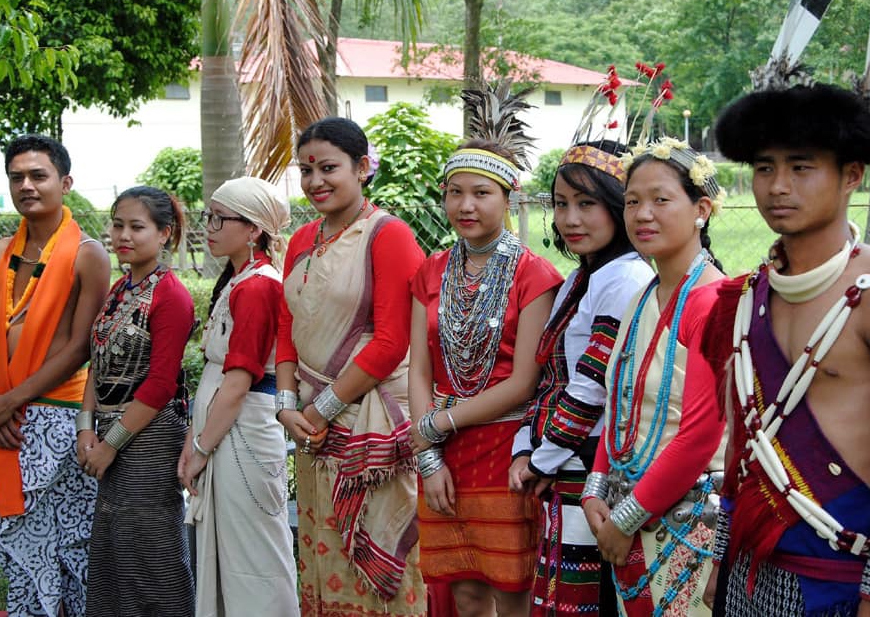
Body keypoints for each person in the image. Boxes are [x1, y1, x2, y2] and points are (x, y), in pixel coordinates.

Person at [704, 83, 870, 615]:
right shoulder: (746, 296)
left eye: (801, 168)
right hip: (754, 572)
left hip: (852, 578)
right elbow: (743, 442)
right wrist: (721, 555)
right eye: (764, 168)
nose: (778, 186)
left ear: (851, 175)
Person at [276, 117, 427, 616]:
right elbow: (286, 328)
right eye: (306, 170)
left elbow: (391, 341)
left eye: (328, 168)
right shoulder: (300, 241)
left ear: (362, 168)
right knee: (321, 553)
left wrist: (320, 410)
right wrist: (286, 406)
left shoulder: (389, 235)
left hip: (368, 423)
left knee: (374, 562)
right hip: (308, 425)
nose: (315, 181)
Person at [409, 139, 562, 616]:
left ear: (509, 196)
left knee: (511, 591)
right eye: (455, 192)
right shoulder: (431, 271)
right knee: (466, 594)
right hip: (442, 451)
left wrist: (433, 427)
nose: (465, 205)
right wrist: (429, 455)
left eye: (481, 193)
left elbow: (523, 382)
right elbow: (419, 366)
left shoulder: (534, 275)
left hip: (504, 448)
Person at [580, 137, 726, 616]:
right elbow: (617, 398)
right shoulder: (642, 297)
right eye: (632, 202)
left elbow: (701, 436)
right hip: (633, 511)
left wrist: (624, 519)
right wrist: (595, 487)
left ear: (701, 209)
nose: (643, 214)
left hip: (686, 519)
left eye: (661, 200)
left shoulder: (710, 302)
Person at [509, 140, 653, 615]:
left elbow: (590, 386)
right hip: (566, 456)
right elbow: (550, 372)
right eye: (561, 204)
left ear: (617, 205)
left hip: (594, 462)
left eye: (587, 203)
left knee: (592, 599)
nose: (570, 219)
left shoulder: (625, 279)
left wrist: (539, 460)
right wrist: (527, 448)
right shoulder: (581, 277)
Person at [0, 134, 110, 616]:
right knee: (14, 548)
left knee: (68, 550)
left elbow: (80, 346)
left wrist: (9, 403)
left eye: (38, 175)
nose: (26, 185)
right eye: (17, 177)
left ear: (64, 183)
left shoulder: (88, 254)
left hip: (58, 419)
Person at [179, 176, 300, 616]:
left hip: (243, 431)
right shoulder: (238, 280)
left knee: (254, 555)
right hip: (227, 431)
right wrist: (196, 440)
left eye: (218, 218)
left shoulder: (258, 286)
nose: (208, 227)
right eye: (208, 216)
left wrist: (198, 447)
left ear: (252, 230)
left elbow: (237, 381)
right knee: (231, 550)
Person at [77, 186, 195, 616]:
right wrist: (86, 429)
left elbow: (161, 384)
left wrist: (110, 444)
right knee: (112, 551)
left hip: (149, 439)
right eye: (117, 224)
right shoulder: (119, 289)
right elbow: (97, 360)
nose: (123, 235)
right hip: (109, 434)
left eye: (137, 227)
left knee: (151, 552)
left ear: (164, 233)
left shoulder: (171, 296)